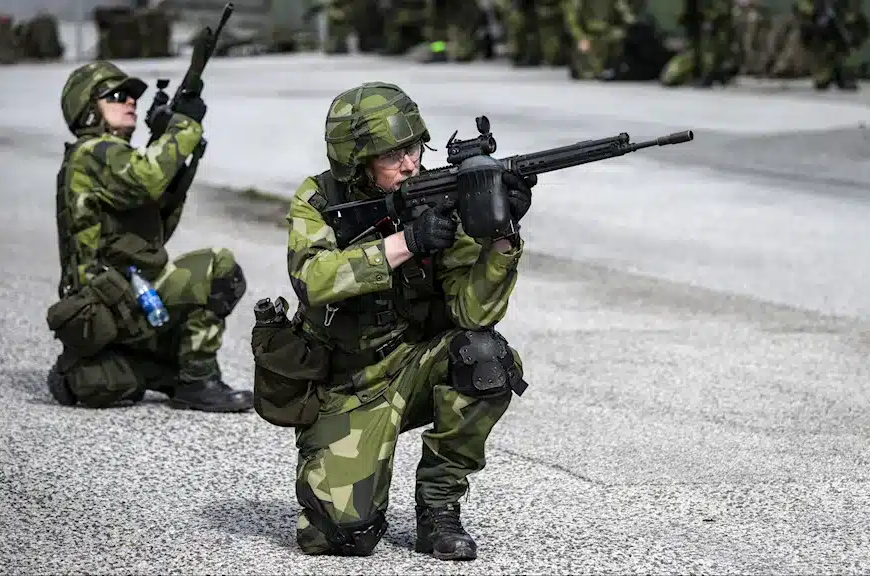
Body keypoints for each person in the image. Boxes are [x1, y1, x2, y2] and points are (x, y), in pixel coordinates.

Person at [254, 82, 534, 560]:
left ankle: (439, 509)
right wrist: (406, 243)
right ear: (355, 162)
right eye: (392, 155)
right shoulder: (318, 199)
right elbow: (314, 279)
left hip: (412, 366)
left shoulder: (437, 200)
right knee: (340, 537)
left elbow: (474, 313)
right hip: (345, 385)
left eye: (414, 148)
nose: (409, 165)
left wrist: (503, 235)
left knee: (484, 357)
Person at [46, 61, 252, 413]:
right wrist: (182, 126)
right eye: (116, 96)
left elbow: (153, 235)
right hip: (112, 305)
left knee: (148, 367)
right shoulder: (92, 152)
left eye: (132, 97)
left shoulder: (106, 160)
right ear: (88, 108)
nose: (130, 102)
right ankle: (197, 381)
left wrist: (164, 142)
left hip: (124, 300)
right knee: (219, 267)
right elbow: (147, 178)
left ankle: (148, 366)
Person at [793, 0, 870, 90]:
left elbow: (859, 24)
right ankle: (828, 72)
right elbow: (801, 9)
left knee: (847, 39)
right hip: (819, 35)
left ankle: (844, 73)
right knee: (822, 82)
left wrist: (846, 23)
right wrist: (815, 16)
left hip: (841, 37)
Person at [563, 0, 638, 80]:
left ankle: (612, 67)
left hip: (608, 33)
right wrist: (580, 37)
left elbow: (628, 17)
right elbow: (571, 21)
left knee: (620, 37)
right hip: (587, 35)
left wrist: (625, 28)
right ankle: (589, 69)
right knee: (587, 69)